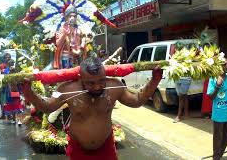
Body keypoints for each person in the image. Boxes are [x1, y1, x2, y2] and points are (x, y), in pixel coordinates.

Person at [22, 57, 162, 160]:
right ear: (80, 78)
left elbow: (136, 101)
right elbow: (47, 107)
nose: (97, 86)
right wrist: (28, 92)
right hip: (78, 150)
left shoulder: (114, 86)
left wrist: (154, 81)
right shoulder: (67, 89)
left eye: (101, 80)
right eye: (90, 83)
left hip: (106, 149)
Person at [207, 59, 227, 160]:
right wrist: (217, 86)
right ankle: (216, 157)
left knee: (226, 138)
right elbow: (210, 97)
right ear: (218, 66)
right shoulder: (213, 78)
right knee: (218, 138)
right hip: (218, 113)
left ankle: (219, 155)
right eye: (224, 64)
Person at [0, 53, 24, 125]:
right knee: (12, 104)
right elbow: (3, 79)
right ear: (8, 65)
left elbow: (19, 80)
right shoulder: (5, 71)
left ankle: (19, 120)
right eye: (10, 64)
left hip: (16, 90)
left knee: (18, 104)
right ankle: (13, 119)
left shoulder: (16, 71)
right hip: (9, 91)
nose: (11, 65)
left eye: (12, 64)